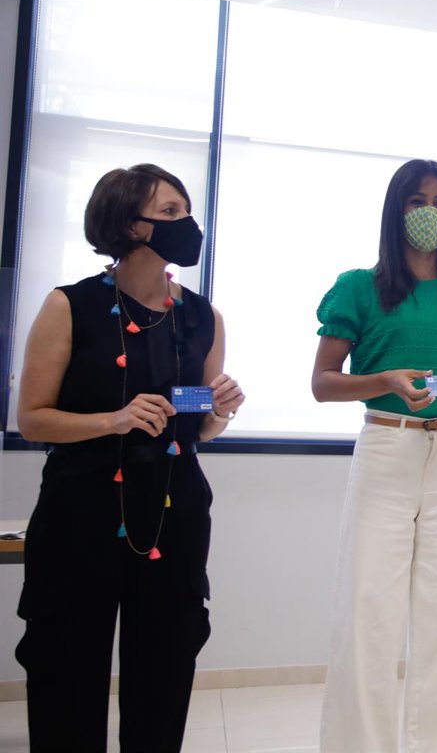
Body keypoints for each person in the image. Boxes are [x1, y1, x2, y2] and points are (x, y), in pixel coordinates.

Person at [15, 163, 244, 751]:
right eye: (169, 212)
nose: (185, 223)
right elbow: (32, 418)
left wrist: (222, 409)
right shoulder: (70, 305)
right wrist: (112, 420)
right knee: (67, 670)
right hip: (81, 509)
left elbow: (201, 427)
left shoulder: (203, 316)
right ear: (127, 223)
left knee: (165, 669)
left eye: (185, 210)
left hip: (173, 510)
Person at [313, 159, 437, 753]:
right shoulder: (358, 288)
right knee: (369, 612)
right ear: (396, 210)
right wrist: (385, 380)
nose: (430, 213)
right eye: (418, 201)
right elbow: (322, 382)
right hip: (386, 445)